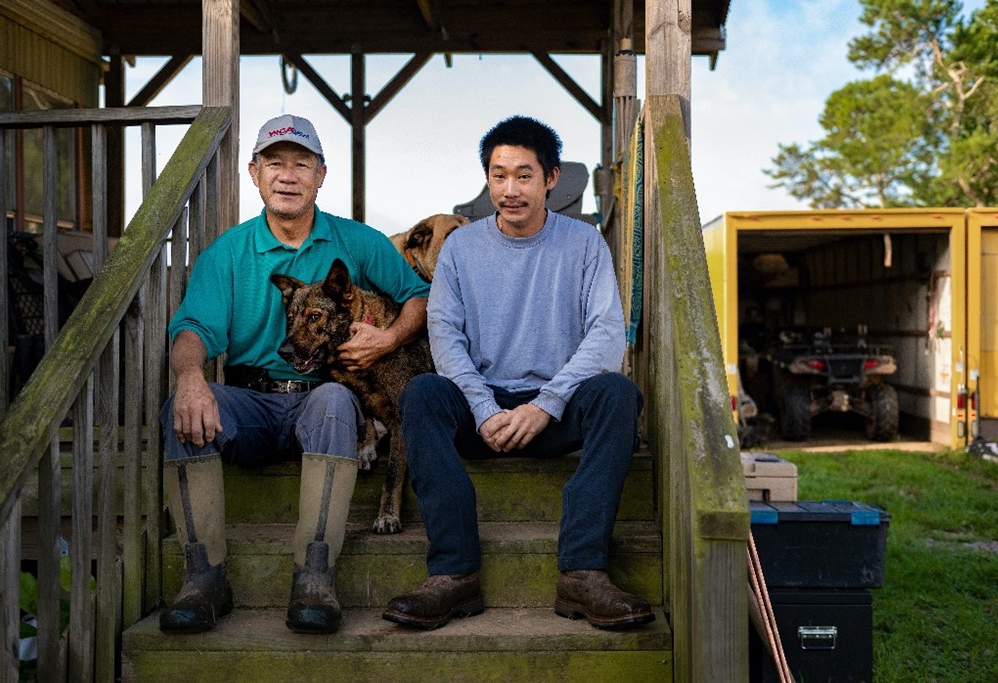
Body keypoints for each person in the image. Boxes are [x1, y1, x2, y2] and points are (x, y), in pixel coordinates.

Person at [159, 114, 429, 635]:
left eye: (301, 164)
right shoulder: (228, 254)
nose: (288, 175)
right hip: (251, 403)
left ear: (321, 175)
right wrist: (191, 375)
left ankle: (315, 575)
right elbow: (193, 327)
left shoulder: (357, 241)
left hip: (323, 401)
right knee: (181, 407)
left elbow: (418, 297)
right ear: (253, 173)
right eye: (274, 163)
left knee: (332, 400)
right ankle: (203, 577)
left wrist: (389, 339)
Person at [382, 115, 654, 631]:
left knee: (617, 393)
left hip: (554, 411)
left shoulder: (585, 243)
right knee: (421, 394)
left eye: (523, 175)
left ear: (551, 179)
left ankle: (582, 572)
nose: (509, 189)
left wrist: (546, 405)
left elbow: (605, 335)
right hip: (481, 409)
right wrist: (484, 409)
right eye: (498, 175)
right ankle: (453, 575)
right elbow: (445, 337)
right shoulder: (461, 248)